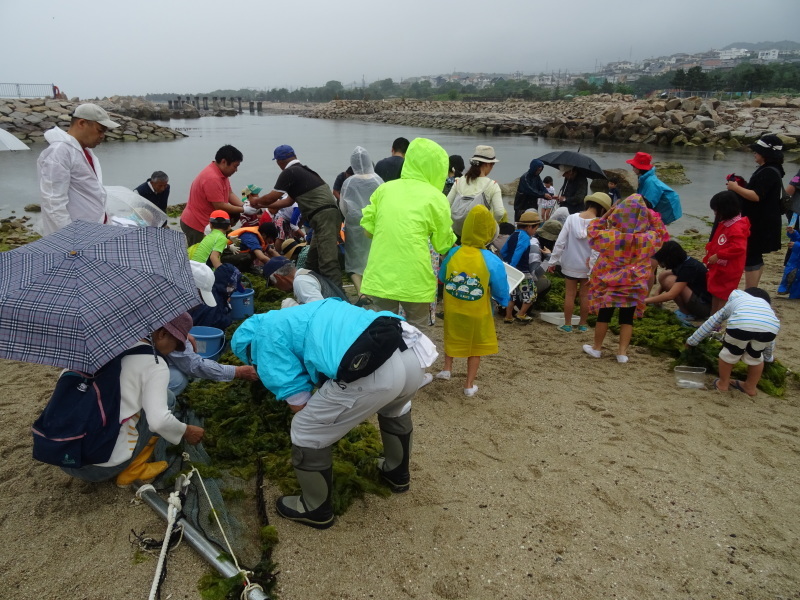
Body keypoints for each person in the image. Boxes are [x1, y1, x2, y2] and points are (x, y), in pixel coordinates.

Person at [231, 299, 437, 529]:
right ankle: (396, 473)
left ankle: (314, 508)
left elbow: (298, 400)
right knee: (395, 409)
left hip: (372, 370)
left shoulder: (263, 338)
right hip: (409, 354)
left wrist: (330, 421)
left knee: (306, 429)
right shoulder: (297, 315)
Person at [62, 313, 205, 485]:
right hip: (97, 469)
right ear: (162, 334)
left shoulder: (99, 344)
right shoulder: (154, 363)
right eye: (176, 344)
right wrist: (186, 431)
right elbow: (159, 422)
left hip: (61, 454)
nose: (174, 350)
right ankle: (133, 469)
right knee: (167, 399)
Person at [360, 138, 457, 327]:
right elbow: (443, 244)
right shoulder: (436, 198)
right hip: (416, 279)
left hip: (380, 276)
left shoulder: (385, 189)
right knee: (417, 334)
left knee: (381, 332)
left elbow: (368, 231)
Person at [583, 194, 668, 363]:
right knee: (627, 318)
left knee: (604, 315)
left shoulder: (611, 237)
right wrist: (649, 215)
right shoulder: (647, 239)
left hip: (611, 281)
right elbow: (661, 232)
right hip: (634, 282)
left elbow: (591, 232)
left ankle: (597, 349)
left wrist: (607, 215)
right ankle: (622, 353)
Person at [436, 205, 510, 396]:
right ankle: (468, 385)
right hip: (477, 311)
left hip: (453, 307)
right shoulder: (491, 259)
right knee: (474, 346)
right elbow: (500, 286)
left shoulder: (454, 252)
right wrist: (503, 300)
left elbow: (443, 277)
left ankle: (446, 369)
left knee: (452, 335)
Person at [250, 145, 343, 284]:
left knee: (327, 262)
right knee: (312, 261)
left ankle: (339, 299)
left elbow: (272, 197)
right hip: (325, 216)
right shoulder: (304, 171)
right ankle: (310, 288)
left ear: (279, 161)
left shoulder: (290, 172)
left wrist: (256, 201)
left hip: (324, 216)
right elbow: (287, 201)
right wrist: (262, 205)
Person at [168, 261, 259, 395]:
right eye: (199, 297)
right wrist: (237, 372)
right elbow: (193, 365)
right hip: (142, 365)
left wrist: (183, 335)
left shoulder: (170, 306)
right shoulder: (170, 315)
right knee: (178, 379)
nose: (198, 305)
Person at [38, 103, 121, 236]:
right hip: (76, 236)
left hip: (94, 230)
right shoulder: (60, 152)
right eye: (100, 130)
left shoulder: (85, 151)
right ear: (82, 123)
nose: (102, 136)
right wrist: (68, 238)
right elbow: (53, 201)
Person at [687, 288, 780, 395]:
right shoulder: (766, 309)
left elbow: (711, 322)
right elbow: (770, 342)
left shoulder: (735, 301)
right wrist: (768, 358)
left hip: (741, 323)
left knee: (729, 354)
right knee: (756, 357)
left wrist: (692, 341)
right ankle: (750, 387)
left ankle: (723, 384)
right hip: (770, 328)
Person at [726, 134, 785, 288]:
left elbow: (756, 196)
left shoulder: (768, 172)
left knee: (751, 255)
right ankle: (753, 289)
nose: (754, 153)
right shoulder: (772, 169)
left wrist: (735, 188)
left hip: (760, 222)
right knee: (756, 255)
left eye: (757, 151)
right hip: (765, 219)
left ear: (765, 154)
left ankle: (751, 290)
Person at [548, 192, 612, 333]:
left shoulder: (571, 219)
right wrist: (592, 269)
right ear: (602, 209)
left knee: (569, 294)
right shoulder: (600, 224)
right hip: (587, 265)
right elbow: (597, 249)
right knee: (585, 295)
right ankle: (583, 324)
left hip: (570, 263)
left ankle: (567, 325)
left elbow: (560, 242)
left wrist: (552, 261)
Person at [180, 145, 246, 247]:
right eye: (235, 166)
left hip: (208, 222)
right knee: (198, 256)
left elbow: (229, 193)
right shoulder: (212, 178)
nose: (236, 170)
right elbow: (219, 206)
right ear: (224, 162)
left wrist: (244, 205)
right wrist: (244, 210)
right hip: (196, 224)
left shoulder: (222, 174)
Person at [339, 147, 384, 295]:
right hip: (375, 225)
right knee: (374, 256)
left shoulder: (348, 182)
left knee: (354, 259)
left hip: (354, 224)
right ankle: (374, 289)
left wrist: (350, 218)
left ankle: (360, 292)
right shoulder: (378, 180)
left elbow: (343, 206)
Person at [704, 191, 750, 313]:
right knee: (715, 292)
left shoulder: (736, 227)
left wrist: (719, 255)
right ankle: (712, 317)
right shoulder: (727, 223)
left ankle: (717, 321)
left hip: (729, 268)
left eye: (716, 210)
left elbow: (739, 247)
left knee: (723, 295)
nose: (714, 213)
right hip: (719, 265)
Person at [647, 240, 712, 321]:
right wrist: (657, 292)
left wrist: (645, 301)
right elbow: (668, 275)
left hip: (704, 307)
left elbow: (671, 295)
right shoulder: (684, 261)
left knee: (670, 281)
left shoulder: (689, 268)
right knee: (664, 275)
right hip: (696, 295)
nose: (661, 265)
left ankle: (685, 312)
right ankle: (686, 310)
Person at [447, 145, 505, 236]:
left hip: (458, 233)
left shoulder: (459, 181)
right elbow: (499, 212)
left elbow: (446, 204)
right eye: (492, 165)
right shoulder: (492, 185)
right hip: (480, 236)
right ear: (487, 164)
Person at [501, 211, 543, 324]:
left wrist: (508, 265)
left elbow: (503, 251)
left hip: (511, 270)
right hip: (522, 271)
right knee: (531, 294)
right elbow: (518, 253)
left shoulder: (513, 234)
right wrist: (514, 266)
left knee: (512, 295)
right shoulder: (525, 237)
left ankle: (508, 316)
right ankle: (521, 314)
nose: (535, 232)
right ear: (529, 226)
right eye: (535, 229)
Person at [263, 256, 350, 305]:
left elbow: (320, 310)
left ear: (278, 277)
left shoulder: (301, 281)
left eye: (274, 284)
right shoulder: (305, 274)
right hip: (345, 317)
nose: (277, 288)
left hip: (342, 327)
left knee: (287, 304)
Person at [626, 152, 682, 225]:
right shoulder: (644, 178)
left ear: (640, 168)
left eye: (634, 167)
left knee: (656, 224)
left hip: (668, 204)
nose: (633, 169)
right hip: (662, 201)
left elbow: (649, 203)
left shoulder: (650, 182)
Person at [777, 226, 800, 298]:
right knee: (791, 276)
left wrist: (797, 246)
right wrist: (793, 233)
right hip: (795, 261)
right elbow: (798, 238)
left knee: (794, 278)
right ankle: (789, 291)